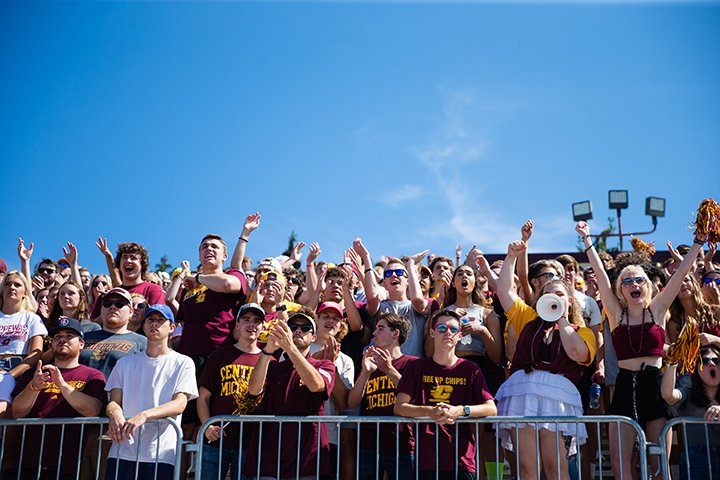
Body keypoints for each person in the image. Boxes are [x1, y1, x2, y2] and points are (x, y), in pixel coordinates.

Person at [577, 221, 705, 478]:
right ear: (620, 290)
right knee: (620, 466)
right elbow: (601, 275)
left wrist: (698, 243)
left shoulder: (657, 310)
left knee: (660, 467)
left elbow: (680, 275)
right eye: (627, 281)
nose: (633, 284)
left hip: (655, 386)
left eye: (639, 279)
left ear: (647, 286)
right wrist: (587, 239)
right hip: (624, 387)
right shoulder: (615, 313)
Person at [494, 240, 596, 480]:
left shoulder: (582, 331)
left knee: (556, 468)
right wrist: (510, 257)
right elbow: (504, 292)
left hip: (557, 396)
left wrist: (561, 319)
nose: (553, 297)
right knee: (527, 469)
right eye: (547, 295)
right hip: (523, 392)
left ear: (569, 300)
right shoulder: (528, 319)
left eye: (560, 294)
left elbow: (578, 355)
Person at [395, 308, 496, 480]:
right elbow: (400, 407)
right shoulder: (416, 367)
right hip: (426, 460)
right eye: (442, 328)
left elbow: (491, 409)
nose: (448, 333)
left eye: (453, 330)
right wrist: (430, 412)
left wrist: (461, 411)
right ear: (432, 332)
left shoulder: (470, 369)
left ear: (459, 336)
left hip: (462, 459)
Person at [105, 304, 198, 480]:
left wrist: (144, 415)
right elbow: (114, 400)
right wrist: (115, 413)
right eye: (150, 319)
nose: (154, 324)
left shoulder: (183, 362)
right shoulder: (125, 363)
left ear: (171, 327)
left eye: (160, 320)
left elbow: (180, 403)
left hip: (160, 453)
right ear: (144, 325)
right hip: (122, 450)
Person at [10, 317, 106, 479]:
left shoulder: (93, 376)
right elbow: (17, 412)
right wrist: (33, 387)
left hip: (69, 464)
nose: (62, 340)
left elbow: (92, 410)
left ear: (81, 344)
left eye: (69, 336)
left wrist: (62, 384)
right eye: (57, 337)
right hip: (28, 462)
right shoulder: (33, 374)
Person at [244, 309, 336, 479]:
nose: (298, 330)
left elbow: (316, 385)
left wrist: (290, 347)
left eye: (305, 327)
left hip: (307, 455)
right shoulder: (273, 366)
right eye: (293, 326)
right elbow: (253, 390)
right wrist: (267, 351)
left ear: (314, 337)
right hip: (272, 453)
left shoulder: (325, 365)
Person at [196, 303, 266, 480]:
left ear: (263, 328)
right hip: (216, 441)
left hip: (250, 443)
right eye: (246, 319)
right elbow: (203, 397)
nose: (251, 325)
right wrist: (207, 426)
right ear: (237, 324)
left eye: (257, 321)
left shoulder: (269, 361)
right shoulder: (220, 356)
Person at [348, 312, 416, 479]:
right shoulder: (370, 364)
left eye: (380, 328)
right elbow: (352, 402)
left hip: (401, 443)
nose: (374, 333)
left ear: (395, 333)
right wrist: (364, 373)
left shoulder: (412, 363)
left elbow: (416, 398)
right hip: (369, 444)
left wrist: (389, 370)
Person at [354, 239, 432, 358]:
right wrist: (366, 257)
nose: (394, 275)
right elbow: (372, 297)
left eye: (399, 272)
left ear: (407, 281)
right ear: (384, 283)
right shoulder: (380, 307)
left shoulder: (418, 307)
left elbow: (417, 299)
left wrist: (410, 264)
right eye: (388, 274)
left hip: (410, 369)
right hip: (380, 371)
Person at [662, 344, 720, 480]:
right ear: (696, 369)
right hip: (697, 461)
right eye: (704, 361)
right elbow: (668, 395)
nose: (711, 364)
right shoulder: (688, 394)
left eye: (717, 361)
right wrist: (672, 364)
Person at [0, 271, 47, 415]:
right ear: (1, 290)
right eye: (8, 284)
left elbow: (36, 353)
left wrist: (10, 375)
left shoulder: (32, 319)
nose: (12, 287)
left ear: (25, 292)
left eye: (17, 285)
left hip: (17, 372)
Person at [79, 287, 147, 378]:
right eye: (107, 303)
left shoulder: (142, 342)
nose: (112, 307)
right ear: (101, 309)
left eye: (119, 304)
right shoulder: (83, 337)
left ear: (131, 312)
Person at [90, 240, 165, 318]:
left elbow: (158, 319)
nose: (128, 261)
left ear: (142, 265)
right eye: (124, 257)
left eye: (133, 258)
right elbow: (93, 324)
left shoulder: (153, 289)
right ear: (119, 264)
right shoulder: (108, 296)